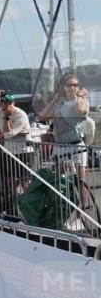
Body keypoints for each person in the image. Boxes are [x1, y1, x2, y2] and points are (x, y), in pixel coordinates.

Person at [39, 72, 92, 208]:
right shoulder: (59, 104)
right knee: (59, 178)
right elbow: (43, 116)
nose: (73, 88)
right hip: (60, 145)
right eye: (69, 85)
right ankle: (61, 206)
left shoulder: (82, 101)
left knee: (81, 179)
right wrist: (55, 99)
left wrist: (80, 96)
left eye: (75, 85)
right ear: (63, 87)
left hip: (76, 145)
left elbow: (80, 111)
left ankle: (84, 207)